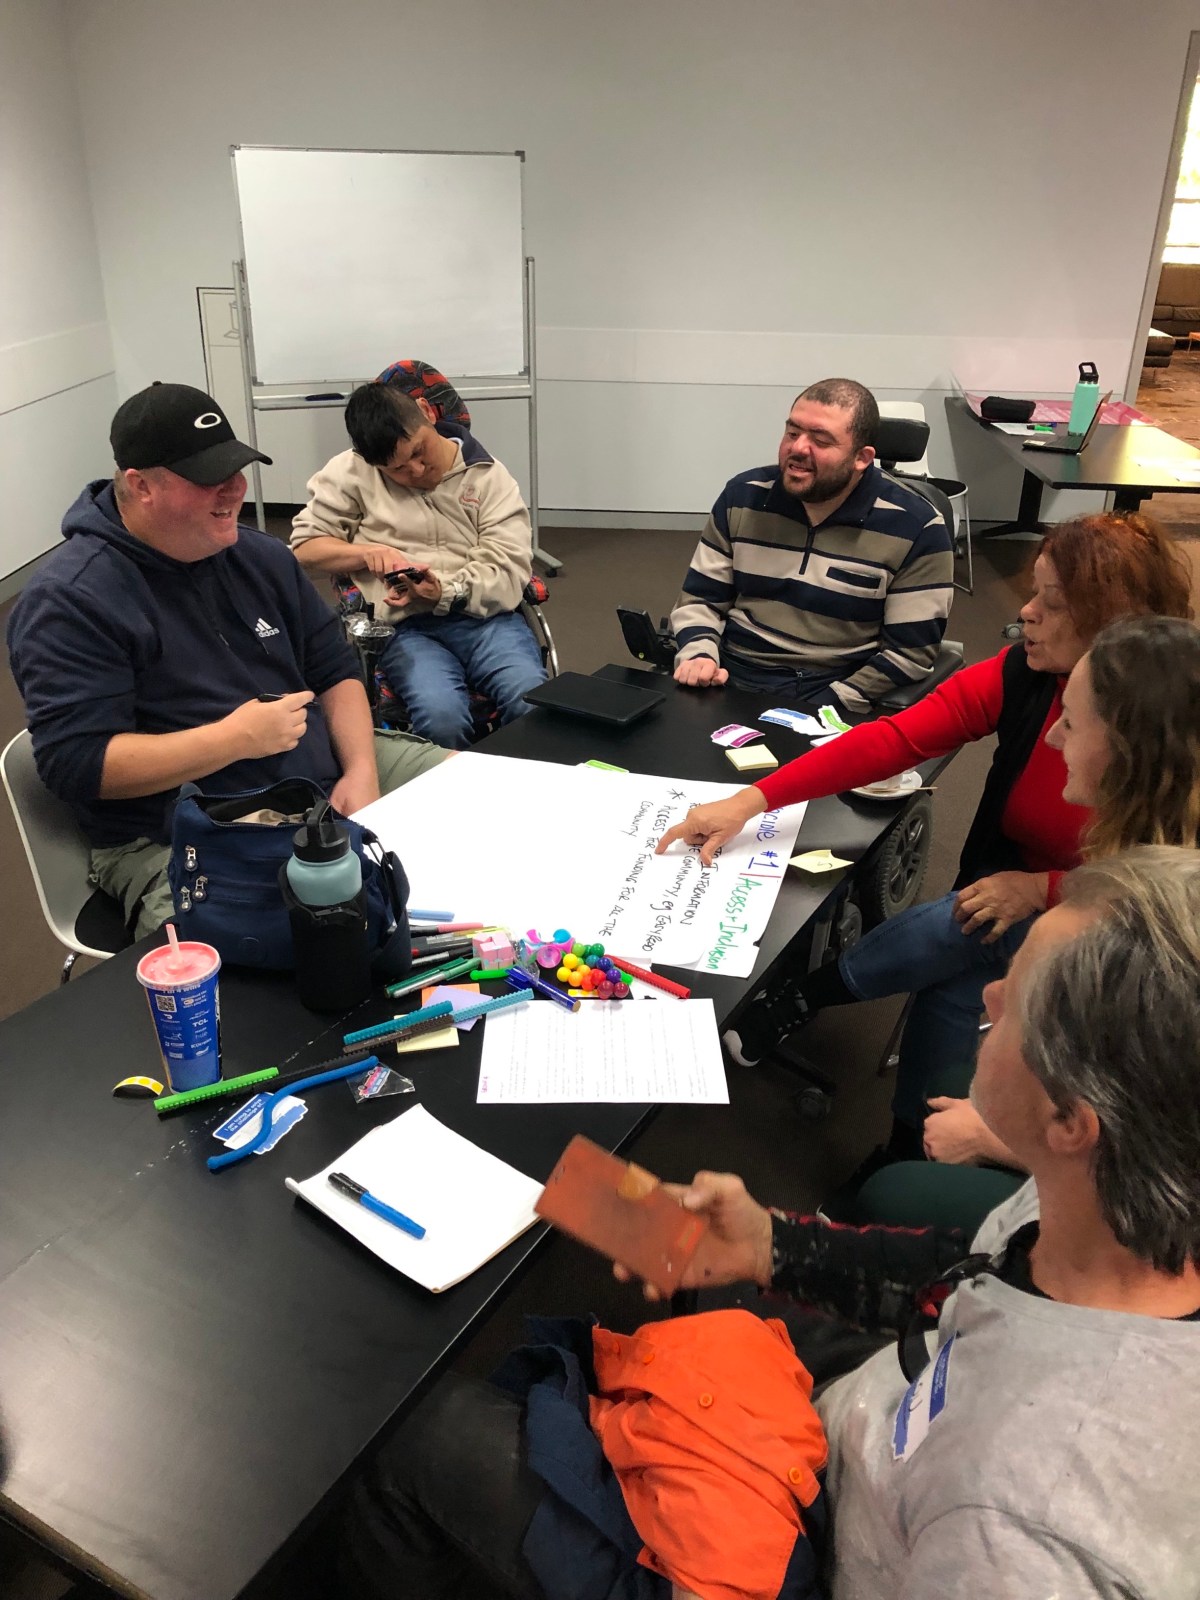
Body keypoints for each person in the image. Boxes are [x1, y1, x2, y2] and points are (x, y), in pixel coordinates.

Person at [335, 847, 1200, 1599]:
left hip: (800, 1559)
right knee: (661, 1251)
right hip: (872, 1434)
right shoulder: (1109, 1214)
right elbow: (979, 1275)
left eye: (1017, 1001)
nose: (991, 992)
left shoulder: (1015, 1528)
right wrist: (774, 1245)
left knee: (409, 1432)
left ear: (1070, 1118)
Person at [659, 512, 1191, 1160]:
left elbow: (1171, 888)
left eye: (1049, 602)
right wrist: (751, 799)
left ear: (1112, 622)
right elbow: (896, 739)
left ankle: (823, 1017)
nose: (1023, 612)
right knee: (965, 950)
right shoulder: (1030, 675)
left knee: (965, 932)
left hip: (1131, 940)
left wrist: (1045, 889)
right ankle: (912, 1149)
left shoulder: (1178, 732)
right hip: (1015, 892)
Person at [6, 383, 447, 938]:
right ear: (141, 486)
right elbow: (76, 764)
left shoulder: (260, 557)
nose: (234, 490)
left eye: (236, 470)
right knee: (280, 969)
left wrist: (360, 769)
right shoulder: (70, 601)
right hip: (178, 830)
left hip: (320, 768)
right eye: (208, 479)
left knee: (482, 798)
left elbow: (334, 672)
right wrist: (233, 740)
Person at [851, 613, 1200, 1234]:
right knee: (956, 1042)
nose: (1052, 739)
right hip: (1117, 1131)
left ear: (1125, 747)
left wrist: (998, 1144)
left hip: (1147, 1230)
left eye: (1071, 720)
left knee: (893, 1196)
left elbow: (1172, 1167)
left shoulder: (1144, 927)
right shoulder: (1149, 875)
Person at [668, 378, 954, 710]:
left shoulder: (917, 526)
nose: (798, 448)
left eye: (820, 440)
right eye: (792, 433)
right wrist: (699, 654)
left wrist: (830, 703)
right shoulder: (743, 497)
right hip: (731, 670)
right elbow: (700, 600)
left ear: (861, 458)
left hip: (834, 685)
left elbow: (910, 653)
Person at [291, 381, 546, 748]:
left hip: (487, 618)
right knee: (441, 718)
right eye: (396, 469)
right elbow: (305, 547)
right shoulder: (350, 473)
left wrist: (444, 592)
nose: (416, 470)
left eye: (419, 451)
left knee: (531, 704)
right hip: (406, 628)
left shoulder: (487, 475)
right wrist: (365, 553)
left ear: (428, 412)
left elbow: (508, 567)